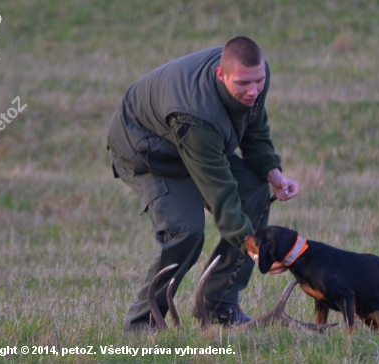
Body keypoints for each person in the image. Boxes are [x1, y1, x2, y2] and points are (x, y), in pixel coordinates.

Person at [107, 36, 298, 333]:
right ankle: (142, 323)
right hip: (147, 152)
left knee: (255, 189)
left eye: (258, 81)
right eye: (244, 84)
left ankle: (219, 304)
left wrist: (273, 173)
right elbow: (219, 189)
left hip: (194, 143)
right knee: (186, 231)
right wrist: (252, 244)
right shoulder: (196, 113)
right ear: (221, 75)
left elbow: (254, 125)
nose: (253, 90)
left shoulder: (255, 76)